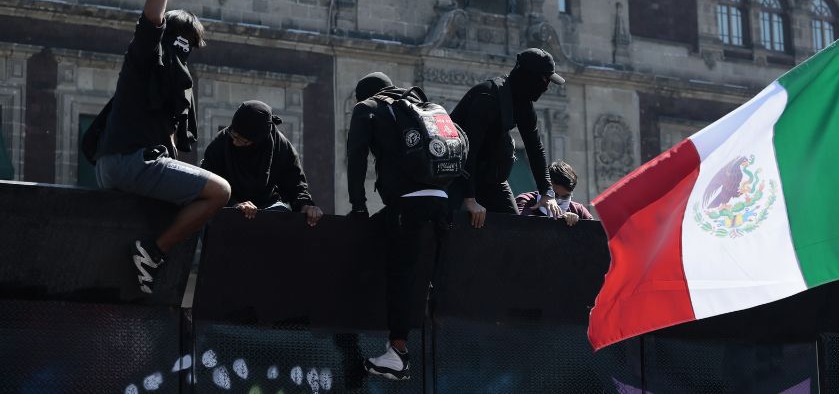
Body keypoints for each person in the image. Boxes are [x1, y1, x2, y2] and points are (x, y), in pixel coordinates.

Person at [94, 0, 231, 294]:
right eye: (185, 43)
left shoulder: (173, 87)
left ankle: (151, 259)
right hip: (129, 162)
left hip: (123, 163)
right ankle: (152, 252)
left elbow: (171, 143)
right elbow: (153, 18)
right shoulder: (145, 57)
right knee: (219, 191)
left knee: (191, 198)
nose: (186, 53)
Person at [347, 72, 448, 381]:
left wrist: (359, 205)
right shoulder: (420, 103)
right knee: (437, 274)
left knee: (400, 274)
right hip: (443, 200)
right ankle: (445, 346)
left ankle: (398, 352)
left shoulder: (367, 108)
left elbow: (356, 159)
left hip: (409, 201)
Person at [449, 48, 565, 227]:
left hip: (491, 176)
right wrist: (469, 199)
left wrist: (547, 193)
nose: (547, 86)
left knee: (513, 229)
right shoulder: (488, 97)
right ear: (529, 78)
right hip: (458, 174)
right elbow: (469, 152)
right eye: (545, 79)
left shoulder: (523, 104)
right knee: (451, 228)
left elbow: (535, 148)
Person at [200, 101, 322, 225]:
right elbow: (208, 184)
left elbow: (295, 184)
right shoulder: (221, 144)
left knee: (282, 221)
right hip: (227, 202)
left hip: (268, 203)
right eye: (234, 135)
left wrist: (306, 206)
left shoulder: (281, 146)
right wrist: (234, 204)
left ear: (258, 141)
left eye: (243, 140)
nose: (235, 143)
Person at [516, 160, 593, 226]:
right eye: (555, 195)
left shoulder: (578, 211)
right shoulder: (525, 201)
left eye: (565, 197)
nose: (559, 200)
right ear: (545, 185)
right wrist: (560, 220)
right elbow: (524, 228)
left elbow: (597, 236)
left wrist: (577, 224)